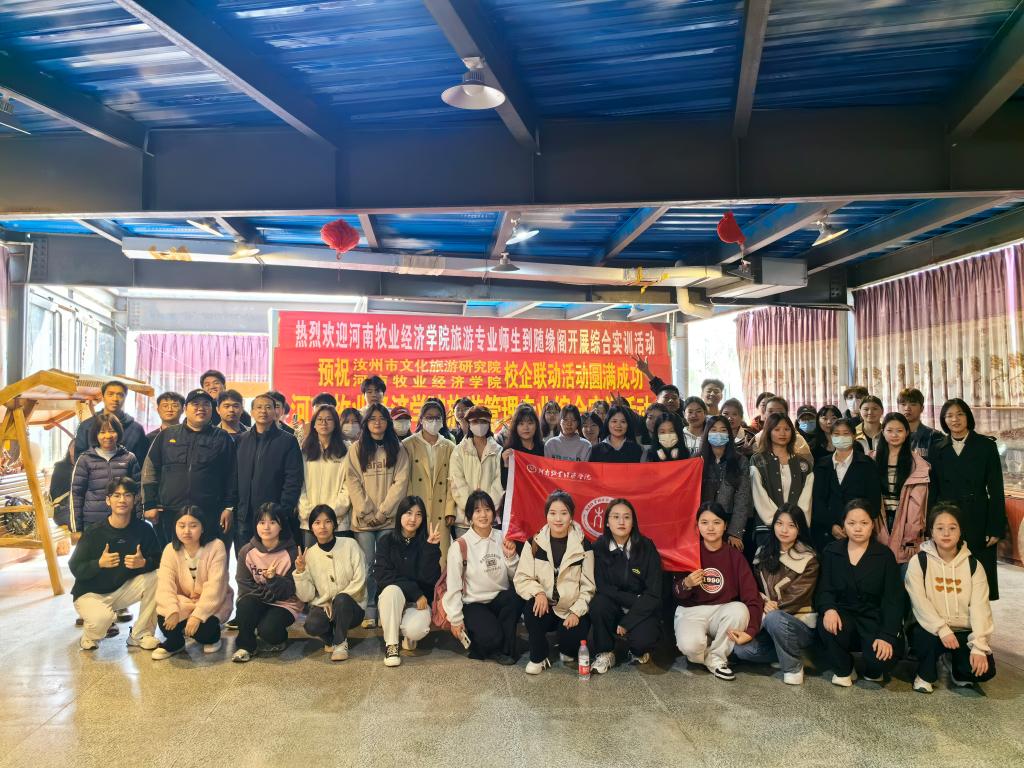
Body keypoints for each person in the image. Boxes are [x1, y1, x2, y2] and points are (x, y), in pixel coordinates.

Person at [905, 503, 996, 693]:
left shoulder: (974, 566)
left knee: (983, 672)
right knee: (926, 642)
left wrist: (979, 646)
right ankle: (925, 673)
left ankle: (956, 667)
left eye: (952, 528)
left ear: (960, 531)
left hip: (962, 629)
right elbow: (920, 603)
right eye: (940, 528)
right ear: (931, 531)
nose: (946, 533)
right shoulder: (919, 562)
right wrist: (942, 629)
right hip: (930, 628)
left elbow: (981, 607)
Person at [817, 499, 904, 686]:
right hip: (843, 614)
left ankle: (873, 669)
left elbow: (893, 600)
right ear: (843, 525)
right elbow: (824, 588)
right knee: (826, 625)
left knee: (882, 660)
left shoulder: (884, 555)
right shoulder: (832, 551)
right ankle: (844, 668)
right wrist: (829, 609)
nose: (858, 528)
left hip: (873, 617)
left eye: (864, 523)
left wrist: (887, 635)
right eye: (851, 523)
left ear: (872, 525)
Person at [673, 501, 762, 681]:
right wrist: (687, 583)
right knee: (690, 647)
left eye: (716, 522)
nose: (711, 528)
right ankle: (708, 654)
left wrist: (751, 630)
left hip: (722, 611)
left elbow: (752, 596)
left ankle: (718, 658)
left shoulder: (735, 556)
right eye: (704, 522)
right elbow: (675, 593)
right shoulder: (689, 552)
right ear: (697, 526)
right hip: (691, 611)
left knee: (739, 609)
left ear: (725, 525)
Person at [70, 478, 161, 651]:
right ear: (108, 500)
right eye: (116, 495)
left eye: (127, 495)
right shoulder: (94, 532)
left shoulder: (144, 529)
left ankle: (140, 634)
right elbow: (75, 567)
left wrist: (143, 563)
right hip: (90, 593)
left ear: (135, 499)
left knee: (158, 577)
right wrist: (99, 563)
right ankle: (89, 636)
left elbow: (158, 560)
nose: (122, 500)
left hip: (121, 591)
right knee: (102, 620)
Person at [732, 505, 819, 685]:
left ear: (800, 529)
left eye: (791, 525)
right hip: (769, 621)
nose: (784, 530)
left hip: (798, 624)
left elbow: (797, 597)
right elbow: (753, 587)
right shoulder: (762, 553)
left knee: (774, 618)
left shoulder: (809, 558)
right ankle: (789, 653)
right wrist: (763, 602)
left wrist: (773, 609)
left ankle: (793, 667)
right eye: (779, 524)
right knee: (742, 651)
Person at [929, 398, 1005, 599]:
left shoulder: (986, 446)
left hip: (978, 516)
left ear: (968, 417)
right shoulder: (937, 447)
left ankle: (979, 616)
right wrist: (931, 524)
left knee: (978, 575)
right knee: (949, 577)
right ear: (944, 420)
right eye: (949, 416)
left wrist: (995, 527)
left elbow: (996, 489)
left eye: (959, 414)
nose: (955, 419)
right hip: (947, 518)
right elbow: (933, 488)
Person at [142, 389, 237, 547]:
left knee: (207, 556)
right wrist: (149, 504)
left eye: (206, 404)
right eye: (195, 404)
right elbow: (150, 470)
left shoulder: (222, 437)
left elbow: (232, 475)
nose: (201, 408)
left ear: (212, 409)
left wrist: (228, 507)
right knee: (171, 556)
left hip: (209, 512)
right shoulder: (166, 435)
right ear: (185, 408)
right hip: (170, 511)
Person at [514, 490, 596, 674]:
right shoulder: (534, 543)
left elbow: (588, 587)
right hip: (545, 606)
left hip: (570, 609)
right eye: (552, 513)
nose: (558, 519)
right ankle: (539, 656)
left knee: (570, 648)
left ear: (571, 516)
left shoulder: (584, 546)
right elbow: (522, 578)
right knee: (531, 608)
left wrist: (576, 612)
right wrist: (538, 592)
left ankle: (565, 646)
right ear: (546, 515)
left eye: (563, 513)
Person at [346, 402, 411, 626]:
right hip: (363, 520)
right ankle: (369, 609)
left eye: (382, 418)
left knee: (387, 565)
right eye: (372, 419)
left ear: (388, 423)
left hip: (389, 519)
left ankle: (386, 608)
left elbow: (400, 483)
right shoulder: (356, 449)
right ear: (366, 423)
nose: (377, 422)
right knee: (365, 565)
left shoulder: (398, 448)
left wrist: (383, 512)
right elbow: (353, 481)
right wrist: (366, 511)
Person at [442, 490, 522, 664]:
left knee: (514, 598)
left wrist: (510, 556)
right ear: (469, 516)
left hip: (499, 599)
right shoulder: (460, 546)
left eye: (487, 509)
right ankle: (492, 642)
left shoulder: (502, 537)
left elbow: (516, 576)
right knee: (492, 637)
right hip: (474, 604)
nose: (483, 515)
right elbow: (453, 586)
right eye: (477, 511)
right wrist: (455, 619)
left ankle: (504, 650)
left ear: (494, 512)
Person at [590, 498, 663, 672]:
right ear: (607, 522)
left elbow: (653, 593)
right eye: (615, 517)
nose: (621, 522)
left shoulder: (646, 546)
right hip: (614, 604)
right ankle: (605, 652)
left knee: (643, 643)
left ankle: (636, 650)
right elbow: (602, 586)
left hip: (641, 607)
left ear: (633, 522)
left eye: (627, 517)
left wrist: (628, 621)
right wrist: (633, 599)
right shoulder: (598, 547)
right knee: (598, 603)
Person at [152, 506, 232, 660]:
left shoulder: (216, 546)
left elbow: (215, 587)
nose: (186, 531)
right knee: (165, 619)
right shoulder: (170, 550)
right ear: (175, 527)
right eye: (181, 526)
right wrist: (172, 610)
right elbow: (165, 585)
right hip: (185, 602)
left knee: (205, 632)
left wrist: (197, 616)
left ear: (203, 528)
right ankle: (176, 642)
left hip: (212, 602)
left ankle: (213, 638)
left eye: (193, 526)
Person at [373, 496, 443, 667]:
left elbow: (430, 580)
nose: (413, 519)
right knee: (391, 590)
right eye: (408, 513)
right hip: (395, 599)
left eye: (418, 515)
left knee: (416, 630)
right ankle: (392, 645)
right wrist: (415, 592)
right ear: (400, 515)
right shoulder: (386, 541)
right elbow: (383, 576)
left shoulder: (427, 542)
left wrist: (431, 549)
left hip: (418, 603)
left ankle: (408, 635)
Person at [294, 504, 366, 662]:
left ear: (334, 524)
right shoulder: (309, 555)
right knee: (311, 625)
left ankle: (340, 644)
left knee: (342, 600)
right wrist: (301, 571)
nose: (322, 527)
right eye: (317, 523)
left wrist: (334, 601)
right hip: (326, 607)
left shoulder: (350, 545)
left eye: (327, 521)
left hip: (352, 606)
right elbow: (307, 596)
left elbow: (360, 579)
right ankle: (330, 639)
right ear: (311, 527)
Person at [232, 503, 303, 662]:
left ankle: (279, 638)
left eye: (272, 522)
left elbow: (290, 589)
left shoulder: (291, 553)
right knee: (245, 604)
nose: (266, 527)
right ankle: (246, 647)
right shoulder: (246, 551)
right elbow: (244, 584)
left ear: (281, 526)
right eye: (261, 522)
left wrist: (273, 580)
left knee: (269, 630)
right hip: (259, 598)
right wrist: (265, 596)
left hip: (285, 603)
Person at [234, 392, 304, 552]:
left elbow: (293, 479)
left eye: (268, 407)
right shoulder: (241, 440)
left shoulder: (287, 441)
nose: (263, 411)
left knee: (273, 559)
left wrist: (283, 510)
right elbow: (234, 477)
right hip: (245, 516)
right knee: (246, 558)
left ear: (275, 411)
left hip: (273, 517)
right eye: (259, 407)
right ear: (251, 412)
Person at [811, 418, 881, 553]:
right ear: (831, 436)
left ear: (854, 436)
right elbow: (817, 500)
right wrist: (831, 525)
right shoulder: (821, 465)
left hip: (860, 531)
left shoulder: (867, 464)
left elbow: (874, 501)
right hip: (826, 533)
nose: (841, 437)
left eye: (846, 433)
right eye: (836, 434)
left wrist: (853, 525)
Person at [750, 413, 814, 552]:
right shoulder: (758, 460)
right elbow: (759, 495)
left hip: (796, 529)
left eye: (787, 429)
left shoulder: (804, 464)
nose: (782, 433)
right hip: (767, 529)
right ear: (768, 432)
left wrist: (794, 523)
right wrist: (778, 523)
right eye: (777, 429)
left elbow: (806, 498)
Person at [872, 412, 929, 566]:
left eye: (899, 430)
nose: (894, 435)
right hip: (878, 522)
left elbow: (917, 505)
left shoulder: (917, 464)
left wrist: (911, 538)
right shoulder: (871, 459)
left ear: (907, 432)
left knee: (904, 567)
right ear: (883, 432)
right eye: (890, 430)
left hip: (905, 524)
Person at [70, 413, 141, 534]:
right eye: (102, 432)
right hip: (93, 523)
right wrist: (76, 528)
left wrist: (139, 520)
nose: (107, 436)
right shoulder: (85, 459)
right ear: (96, 435)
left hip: (124, 521)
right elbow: (76, 494)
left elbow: (138, 491)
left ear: (118, 432)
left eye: (112, 431)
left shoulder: (129, 458)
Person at [403, 400, 455, 562]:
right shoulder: (408, 445)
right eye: (429, 417)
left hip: (441, 509)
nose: (433, 421)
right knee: (415, 553)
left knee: (440, 556)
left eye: (437, 417)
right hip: (416, 507)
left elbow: (452, 482)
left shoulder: (449, 446)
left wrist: (450, 510)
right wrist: (408, 508)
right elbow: (405, 479)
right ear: (421, 419)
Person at [297, 404, 350, 549]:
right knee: (311, 560)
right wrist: (309, 513)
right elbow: (300, 485)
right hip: (309, 520)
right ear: (313, 424)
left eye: (329, 419)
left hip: (338, 521)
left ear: (336, 424)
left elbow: (349, 485)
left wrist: (331, 514)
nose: (324, 423)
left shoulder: (347, 449)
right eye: (319, 419)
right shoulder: (304, 450)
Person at [449, 405, 503, 537]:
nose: (479, 425)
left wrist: (487, 510)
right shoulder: (459, 450)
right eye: (475, 421)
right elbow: (457, 482)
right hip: (465, 521)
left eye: (483, 421)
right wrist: (472, 510)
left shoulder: (498, 451)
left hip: (490, 521)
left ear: (489, 423)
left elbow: (499, 483)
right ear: (469, 423)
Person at [700, 416, 752, 551]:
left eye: (723, 430)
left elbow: (742, 498)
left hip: (729, 523)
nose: (718, 434)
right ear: (706, 433)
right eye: (713, 430)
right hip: (702, 524)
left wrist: (735, 532)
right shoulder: (697, 460)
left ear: (729, 435)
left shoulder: (740, 461)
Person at [74, 380, 150, 467]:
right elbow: (79, 461)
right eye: (110, 394)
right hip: (93, 475)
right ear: (103, 397)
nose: (115, 399)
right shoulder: (87, 426)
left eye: (120, 395)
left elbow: (141, 463)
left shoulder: (136, 429)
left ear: (125, 398)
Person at [500, 404, 545, 489]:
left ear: (536, 425)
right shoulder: (509, 451)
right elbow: (505, 485)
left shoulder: (543, 448)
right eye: (521, 424)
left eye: (530, 423)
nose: (526, 428)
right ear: (515, 427)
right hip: (518, 495)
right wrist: (506, 464)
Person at [897, 387, 940, 456]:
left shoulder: (934, 436)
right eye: (903, 404)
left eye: (913, 404)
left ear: (922, 408)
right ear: (898, 408)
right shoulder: (891, 436)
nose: (907, 408)